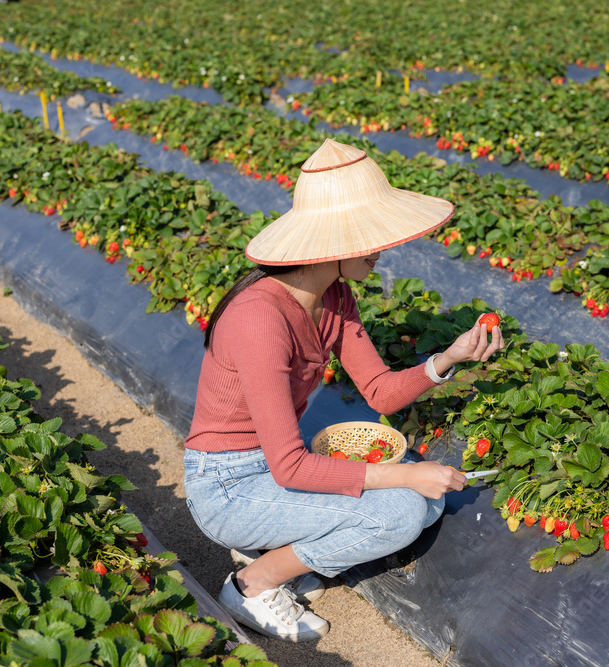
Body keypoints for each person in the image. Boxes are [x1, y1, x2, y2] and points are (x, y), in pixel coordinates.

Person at [183, 138, 504, 642]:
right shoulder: (260, 320)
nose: (381, 251)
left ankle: (284, 550)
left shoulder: (335, 296)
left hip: (272, 468)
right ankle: (253, 583)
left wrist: (449, 359)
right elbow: (290, 466)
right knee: (401, 511)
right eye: (369, 238)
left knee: (428, 497)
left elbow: (379, 392)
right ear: (333, 245)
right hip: (229, 486)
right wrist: (402, 475)